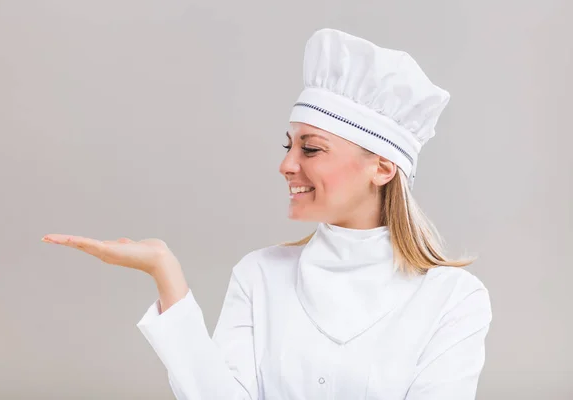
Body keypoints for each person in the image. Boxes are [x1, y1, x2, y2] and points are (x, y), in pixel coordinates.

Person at [42, 28, 492, 399]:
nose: (286, 165)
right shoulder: (259, 275)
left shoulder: (453, 298)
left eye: (311, 148)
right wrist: (166, 271)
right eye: (288, 145)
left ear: (382, 167)